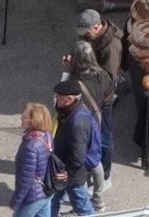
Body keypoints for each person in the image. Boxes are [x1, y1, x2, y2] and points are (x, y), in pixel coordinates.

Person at [65, 40, 114, 210]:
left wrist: (67, 71)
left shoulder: (74, 82)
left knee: (81, 162)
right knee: (94, 161)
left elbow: (63, 101)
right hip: (96, 122)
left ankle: (82, 200)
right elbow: (108, 99)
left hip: (79, 125)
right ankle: (98, 198)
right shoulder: (103, 76)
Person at [51, 79, 100, 216]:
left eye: (58, 98)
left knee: (82, 206)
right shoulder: (72, 110)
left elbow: (77, 156)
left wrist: (66, 172)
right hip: (64, 170)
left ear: (69, 99)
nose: (56, 100)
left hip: (71, 174)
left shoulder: (77, 122)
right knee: (52, 200)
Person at [10, 102, 54, 217]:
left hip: (34, 196)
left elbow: (26, 179)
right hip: (47, 190)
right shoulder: (47, 135)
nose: (21, 119)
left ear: (35, 120)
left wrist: (15, 201)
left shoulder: (30, 146)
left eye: (25, 117)